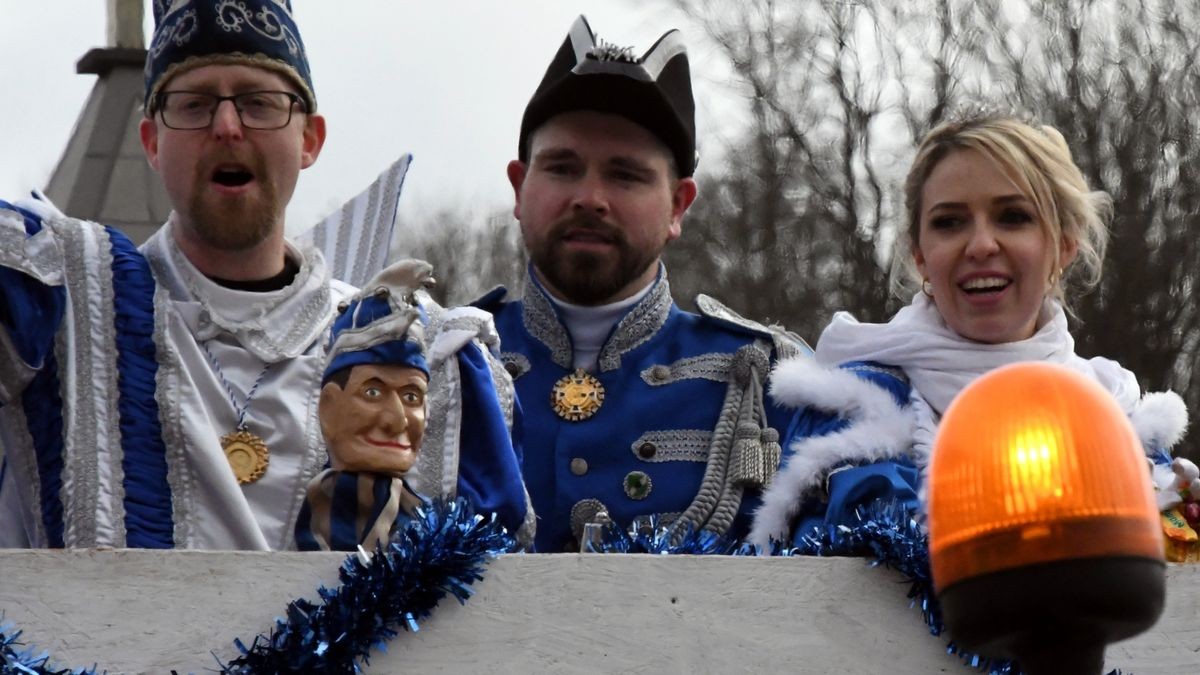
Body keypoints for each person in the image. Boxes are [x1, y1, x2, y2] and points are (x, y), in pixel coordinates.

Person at [0, 1, 529, 550]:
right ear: (152, 142)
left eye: (259, 103)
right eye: (194, 104)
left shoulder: (430, 355)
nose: (227, 126)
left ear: (310, 140)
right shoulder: (64, 308)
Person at [748, 114, 1189, 548]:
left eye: (1013, 217)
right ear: (920, 255)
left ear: (1065, 245)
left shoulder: (1123, 419)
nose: (980, 245)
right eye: (949, 222)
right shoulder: (849, 405)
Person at [473, 16, 809, 552]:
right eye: (562, 168)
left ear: (679, 205)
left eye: (625, 175)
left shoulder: (766, 381)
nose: (590, 198)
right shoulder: (441, 362)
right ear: (519, 188)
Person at [295, 260, 531, 552]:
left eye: (411, 397)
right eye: (372, 392)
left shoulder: (434, 540)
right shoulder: (304, 510)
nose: (397, 420)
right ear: (328, 409)